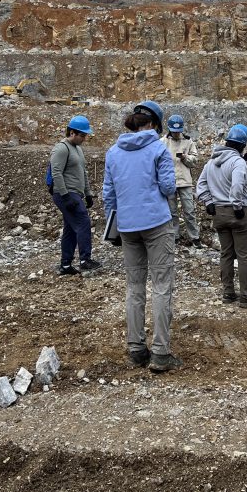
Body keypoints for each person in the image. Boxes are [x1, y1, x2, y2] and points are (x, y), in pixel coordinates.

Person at [101, 100, 180, 372]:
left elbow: (108, 195)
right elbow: (169, 187)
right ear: (155, 124)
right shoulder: (158, 148)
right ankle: (160, 353)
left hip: (127, 226)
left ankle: (136, 347)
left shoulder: (113, 152)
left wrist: (116, 222)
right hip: (157, 224)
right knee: (161, 286)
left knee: (134, 287)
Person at [196, 123, 247, 308]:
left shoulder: (211, 162)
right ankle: (246, 296)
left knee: (226, 253)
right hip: (239, 213)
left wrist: (208, 203)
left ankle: (228, 293)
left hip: (219, 213)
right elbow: (237, 186)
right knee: (244, 255)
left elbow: (200, 185)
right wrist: (237, 205)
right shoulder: (238, 162)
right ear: (242, 145)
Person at [50, 115, 99, 275]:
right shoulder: (61, 148)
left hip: (75, 193)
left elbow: (83, 172)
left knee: (70, 228)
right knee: (83, 222)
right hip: (66, 193)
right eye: (82, 135)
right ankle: (85, 260)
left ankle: (65, 265)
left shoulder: (77, 149)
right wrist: (65, 196)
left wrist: (88, 193)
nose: (85, 138)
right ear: (72, 132)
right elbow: (56, 173)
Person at [163, 114, 201, 247]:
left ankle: (194, 237)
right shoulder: (163, 142)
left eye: (178, 131)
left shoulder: (188, 141)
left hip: (185, 181)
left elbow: (195, 161)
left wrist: (185, 158)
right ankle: (175, 236)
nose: (176, 134)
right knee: (172, 211)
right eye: (174, 131)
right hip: (169, 181)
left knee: (189, 210)